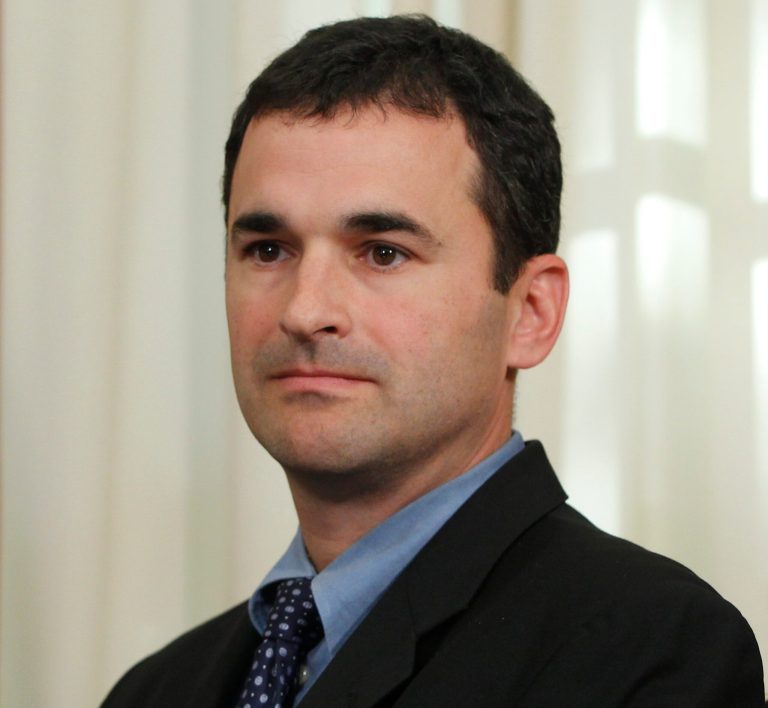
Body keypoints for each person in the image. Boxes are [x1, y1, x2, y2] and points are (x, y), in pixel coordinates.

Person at [102, 14, 764, 707]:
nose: (304, 310)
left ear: (531, 312)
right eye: (269, 249)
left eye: (383, 252)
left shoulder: (647, 652)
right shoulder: (154, 691)